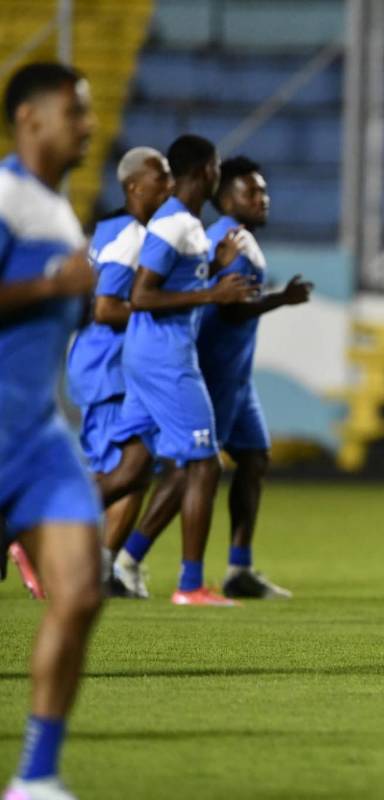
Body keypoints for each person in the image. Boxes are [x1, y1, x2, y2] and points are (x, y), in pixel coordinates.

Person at [107, 155, 311, 600]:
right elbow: (228, 308)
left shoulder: (237, 241)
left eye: (263, 190)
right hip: (211, 372)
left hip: (238, 377)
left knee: (254, 458)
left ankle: (239, 567)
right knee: (191, 469)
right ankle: (129, 560)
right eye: (250, 191)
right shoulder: (217, 235)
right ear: (223, 195)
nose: (263, 198)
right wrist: (281, 300)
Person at [0, 61, 102, 800]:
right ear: (29, 118)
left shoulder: (62, 215)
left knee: (80, 591)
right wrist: (54, 287)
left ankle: (37, 776)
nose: (89, 125)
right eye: (76, 111)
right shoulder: (4, 198)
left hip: (37, 438)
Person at [101, 133, 254, 606]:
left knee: (130, 472)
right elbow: (142, 296)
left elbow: (173, 281)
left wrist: (213, 264)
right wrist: (214, 294)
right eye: (216, 166)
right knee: (204, 463)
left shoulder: (183, 226)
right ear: (207, 170)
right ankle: (190, 584)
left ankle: (22, 523)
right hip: (167, 360)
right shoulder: (174, 225)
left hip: (149, 357)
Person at [64, 146, 173, 595]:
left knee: (131, 469)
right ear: (134, 187)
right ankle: (35, 532)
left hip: (98, 363)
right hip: (111, 367)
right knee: (127, 470)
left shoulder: (105, 230)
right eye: (161, 180)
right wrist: (164, 314)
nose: (169, 188)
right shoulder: (131, 235)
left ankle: (100, 565)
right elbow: (107, 308)